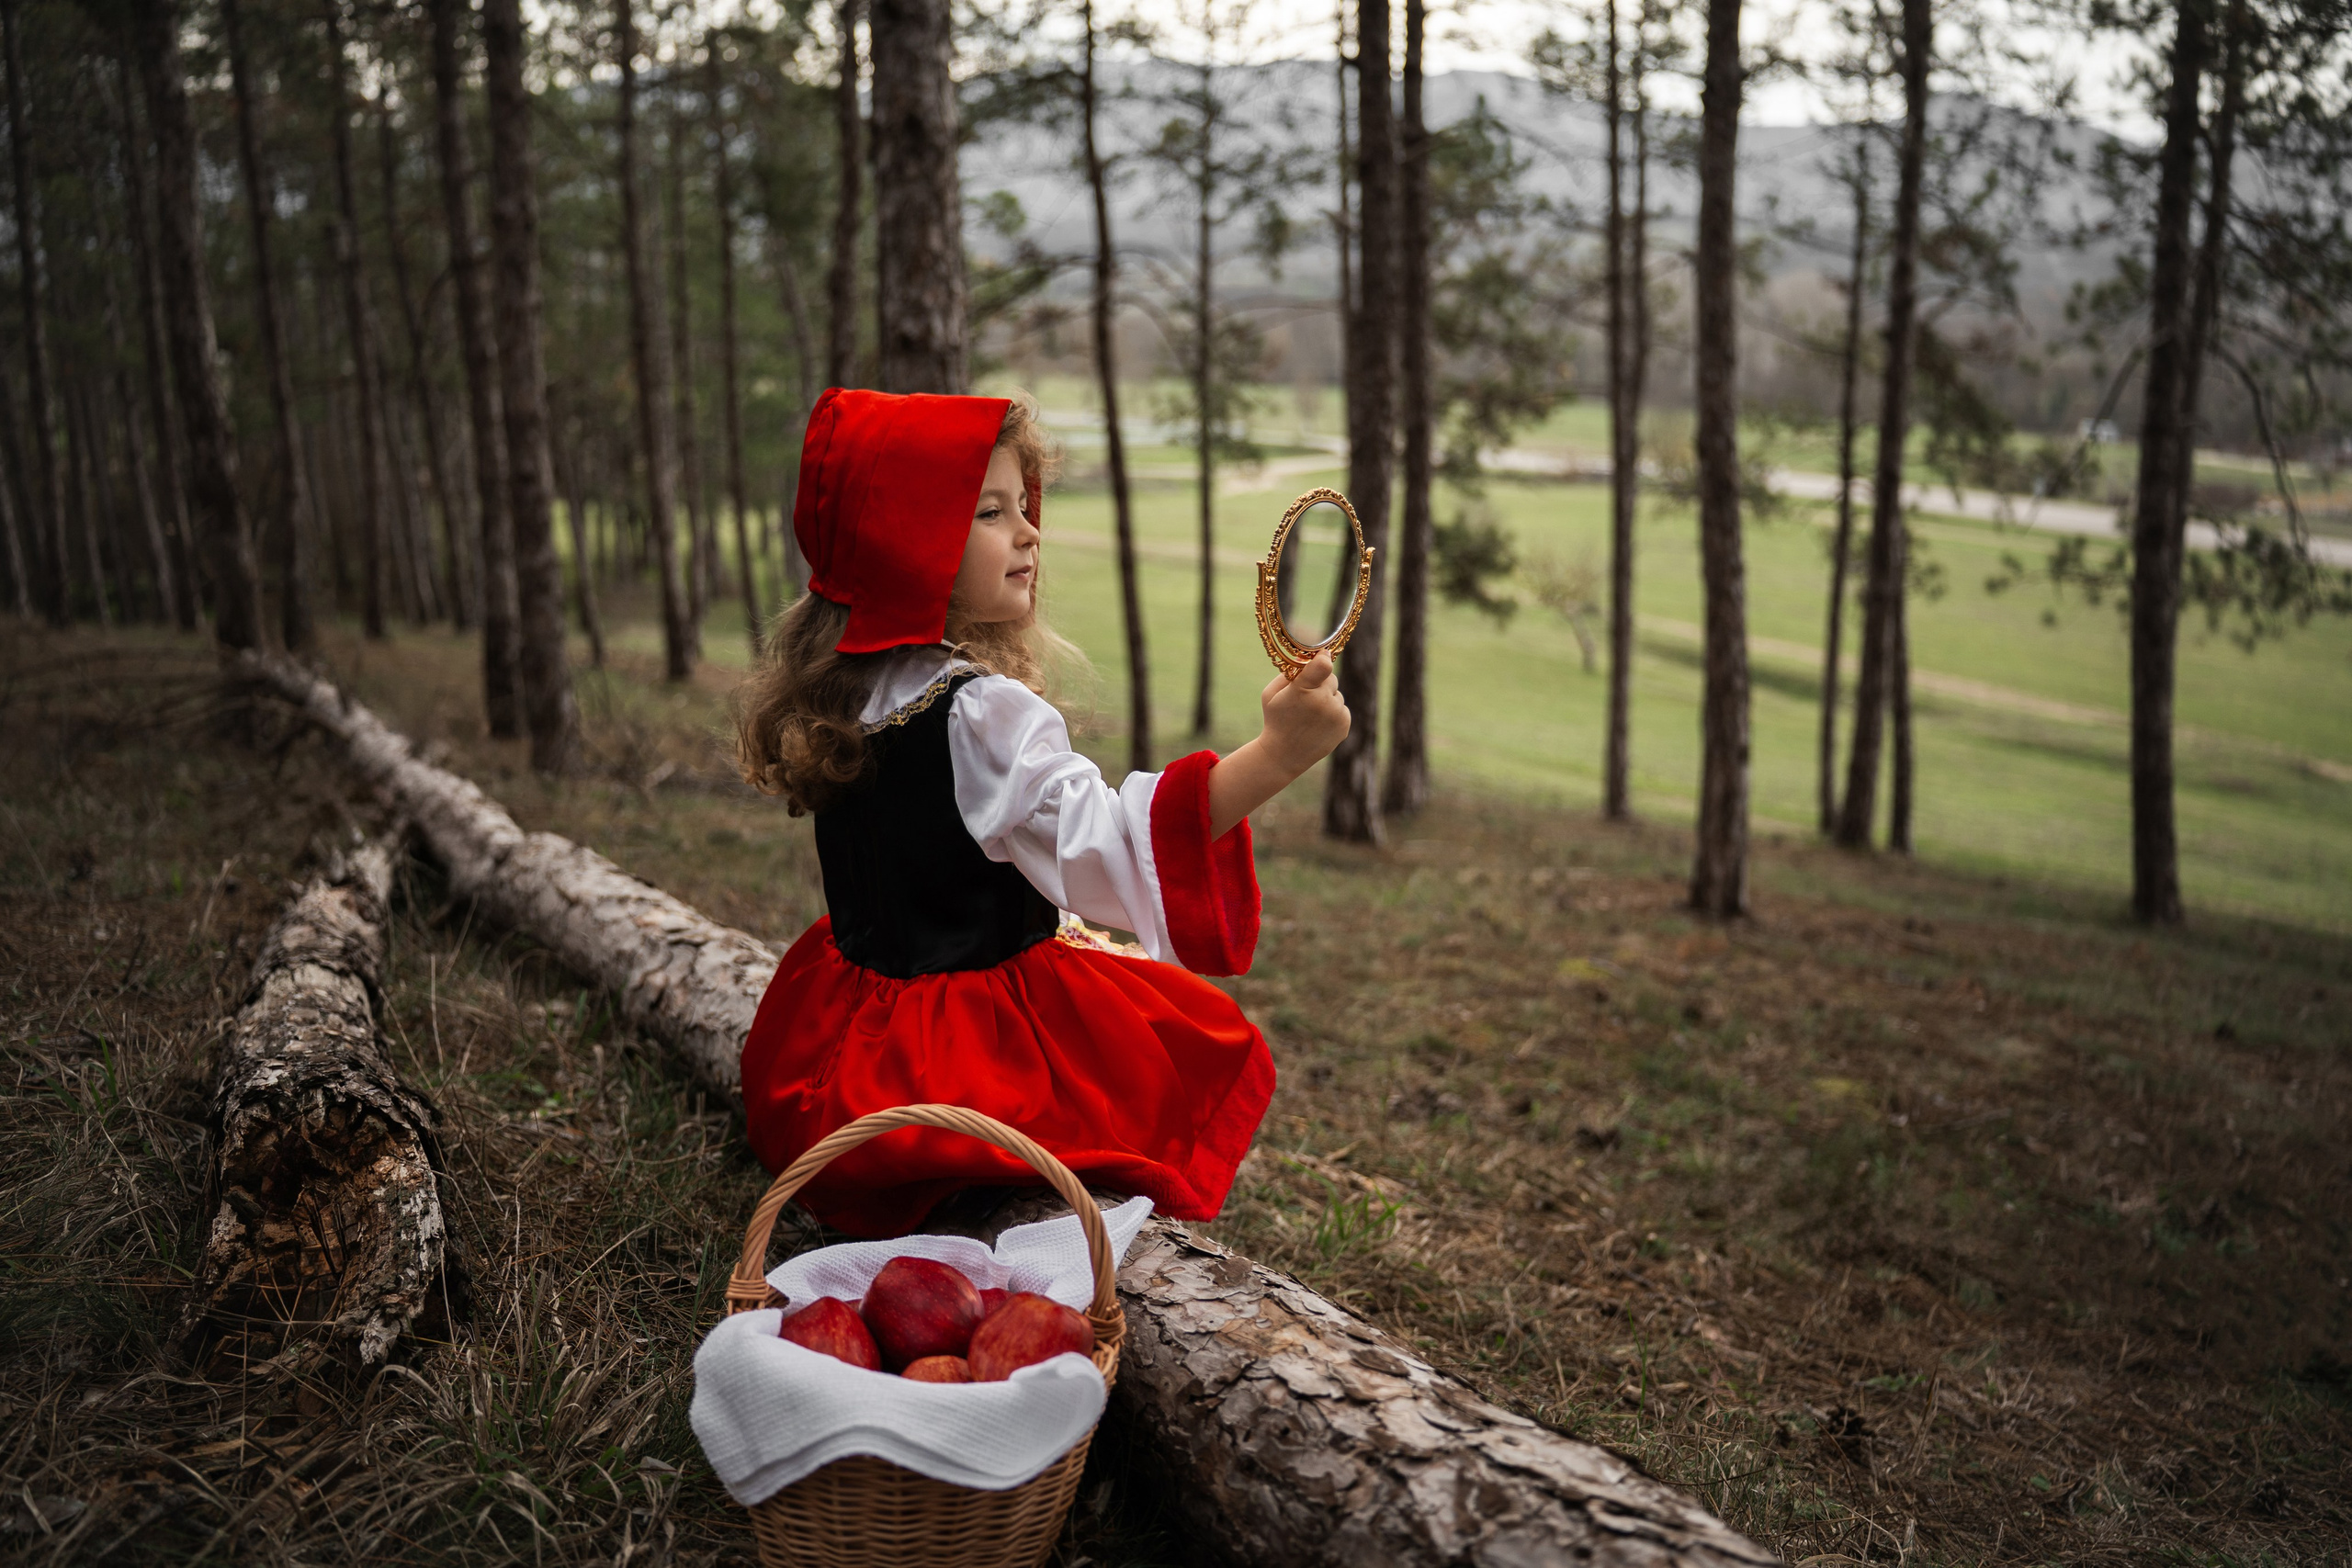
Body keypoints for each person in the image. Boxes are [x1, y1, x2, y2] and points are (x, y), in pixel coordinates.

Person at [733, 388, 1350, 1236]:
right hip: (960, 1065)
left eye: (1025, 506)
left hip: (847, 1044)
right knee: (1191, 1040)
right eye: (990, 511)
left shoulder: (853, 688)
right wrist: (1278, 754)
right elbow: (1103, 844)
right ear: (903, 541)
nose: (1029, 532)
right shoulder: (979, 711)